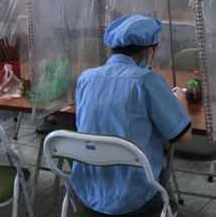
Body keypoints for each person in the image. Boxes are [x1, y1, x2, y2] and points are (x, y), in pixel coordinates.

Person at [72, 14, 191, 216]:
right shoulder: (146, 81)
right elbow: (183, 137)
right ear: (149, 52)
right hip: (135, 200)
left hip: (88, 193)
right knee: (159, 172)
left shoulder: (86, 78)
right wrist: (181, 102)